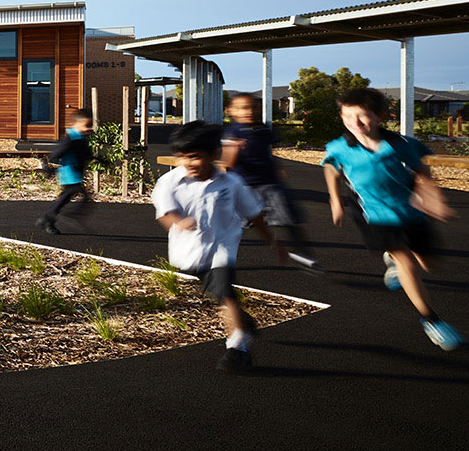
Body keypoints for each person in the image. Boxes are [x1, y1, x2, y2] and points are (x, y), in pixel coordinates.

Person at [322, 86, 460, 351]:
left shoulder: (401, 144)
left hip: (410, 211)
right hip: (375, 215)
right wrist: (336, 200)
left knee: (429, 264)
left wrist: (433, 197)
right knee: (406, 261)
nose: (356, 123)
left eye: (362, 116)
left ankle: (394, 261)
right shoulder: (340, 147)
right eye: (348, 117)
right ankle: (431, 319)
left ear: (381, 116)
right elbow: (331, 167)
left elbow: (422, 170)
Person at [153, 121, 277, 372]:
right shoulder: (169, 183)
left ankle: (237, 349)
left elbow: (254, 214)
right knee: (217, 293)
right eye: (182, 157)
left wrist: (272, 241)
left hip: (222, 248)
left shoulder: (231, 184)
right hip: (188, 253)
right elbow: (163, 214)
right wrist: (178, 221)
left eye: (194, 157)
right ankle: (243, 322)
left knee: (224, 292)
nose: (188, 163)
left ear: (213, 155)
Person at [222, 93, 322, 274]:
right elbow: (227, 163)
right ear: (231, 111)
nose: (249, 111)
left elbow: (267, 153)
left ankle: (304, 254)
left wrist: (277, 168)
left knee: (288, 218)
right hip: (245, 186)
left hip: (270, 183)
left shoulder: (263, 129)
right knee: (237, 225)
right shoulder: (232, 132)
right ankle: (223, 260)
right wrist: (234, 149)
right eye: (243, 108)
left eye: (253, 107)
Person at [37, 109, 94, 234]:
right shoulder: (71, 138)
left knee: (65, 197)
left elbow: (85, 153)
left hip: (75, 174)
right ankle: (66, 216)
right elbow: (57, 152)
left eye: (91, 125)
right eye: (87, 125)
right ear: (76, 124)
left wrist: (96, 158)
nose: (89, 128)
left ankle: (47, 219)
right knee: (78, 196)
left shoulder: (80, 138)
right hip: (69, 174)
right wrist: (48, 166)